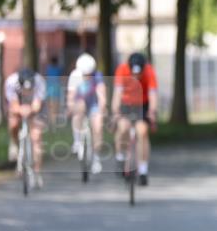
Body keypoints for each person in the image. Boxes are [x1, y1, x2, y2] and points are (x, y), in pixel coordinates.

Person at [112, 52, 158, 186]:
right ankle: (120, 156)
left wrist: (152, 112)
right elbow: (117, 95)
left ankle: (143, 170)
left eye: (139, 74)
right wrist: (115, 112)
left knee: (142, 131)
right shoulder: (122, 70)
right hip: (125, 103)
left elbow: (153, 96)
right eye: (134, 73)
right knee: (123, 127)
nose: (136, 76)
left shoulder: (149, 72)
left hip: (142, 104)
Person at [5, 67, 47, 187]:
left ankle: (37, 172)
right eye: (25, 89)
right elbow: (13, 104)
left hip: (34, 107)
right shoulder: (11, 82)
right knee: (13, 124)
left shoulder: (40, 82)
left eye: (29, 89)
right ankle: (15, 144)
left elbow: (37, 105)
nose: (27, 91)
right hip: (18, 104)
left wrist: (31, 109)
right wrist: (19, 109)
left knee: (36, 136)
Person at [67, 53, 107, 174]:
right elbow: (71, 96)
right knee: (79, 109)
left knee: (98, 126)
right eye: (85, 74)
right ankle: (77, 140)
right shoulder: (75, 75)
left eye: (89, 74)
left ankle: (96, 157)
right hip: (80, 102)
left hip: (93, 104)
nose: (87, 77)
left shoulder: (97, 76)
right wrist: (70, 108)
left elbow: (102, 95)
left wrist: (102, 108)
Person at [45, 56, 64, 123]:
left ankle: (51, 120)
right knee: (55, 106)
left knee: (50, 106)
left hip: (49, 88)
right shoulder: (59, 69)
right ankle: (53, 121)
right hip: (56, 89)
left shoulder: (48, 68)